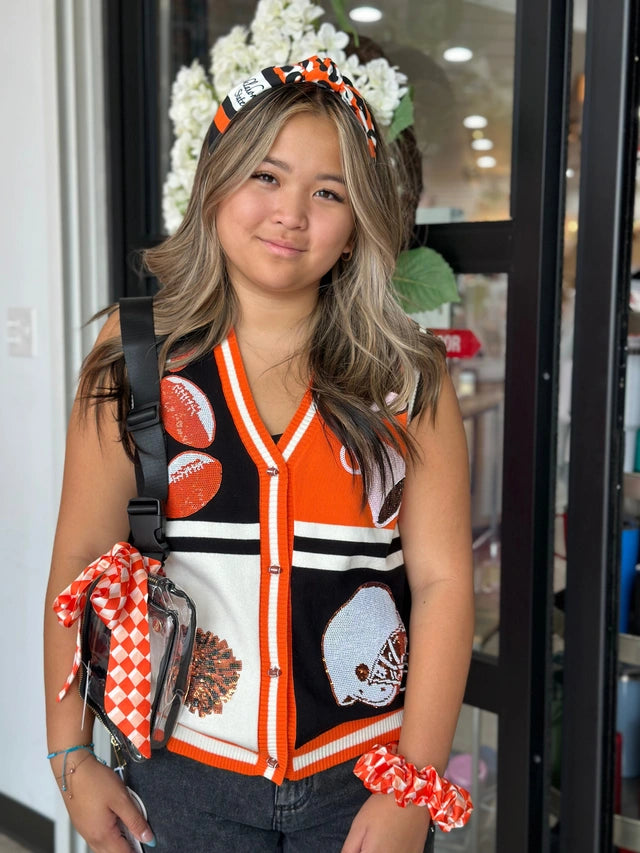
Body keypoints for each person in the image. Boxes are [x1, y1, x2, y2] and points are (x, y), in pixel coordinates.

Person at [44, 56, 474, 853]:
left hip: (364, 774)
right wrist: (70, 752)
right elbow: (79, 556)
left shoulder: (409, 377)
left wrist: (417, 780)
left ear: (358, 224)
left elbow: (445, 583)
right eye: (266, 176)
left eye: (328, 191)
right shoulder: (138, 353)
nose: (292, 214)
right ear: (215, 186)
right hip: (179, 773)